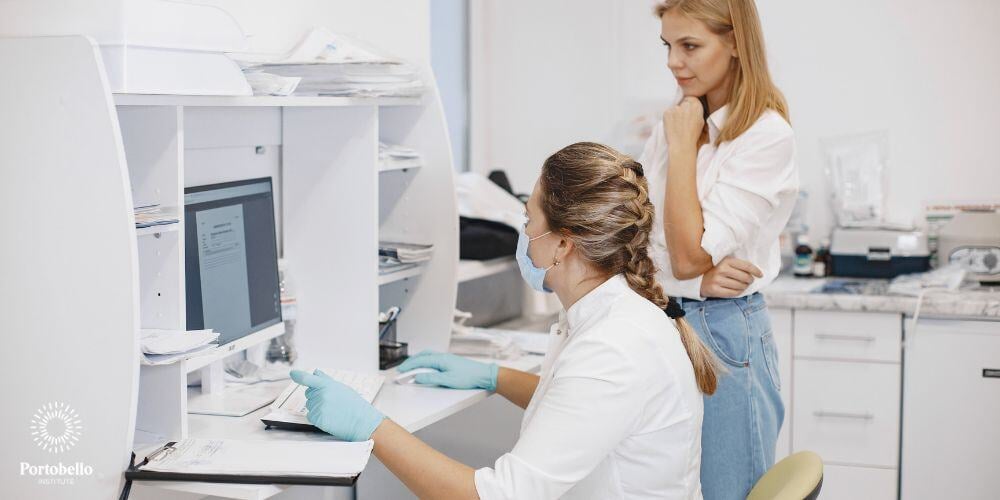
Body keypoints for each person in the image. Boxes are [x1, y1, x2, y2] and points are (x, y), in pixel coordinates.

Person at [291, 142, 718, 499]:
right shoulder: (616, 314)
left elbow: (498, 496)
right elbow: (578, 405)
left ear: (564, 243)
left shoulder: (612, 346)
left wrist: (370, 427)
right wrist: (494, 377)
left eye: (529, 219)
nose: (523, 230)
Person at [640, 1, 799, 498]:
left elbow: (686, 253)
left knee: (726, 491)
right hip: (664, 319)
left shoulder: (765, 136)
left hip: (722, 334)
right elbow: (634, 237)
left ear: (735, 43)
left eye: (690, 46)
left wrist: (684, 146)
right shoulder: (676, 125)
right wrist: (688, 279)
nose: (673, 61)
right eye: (668, 45)